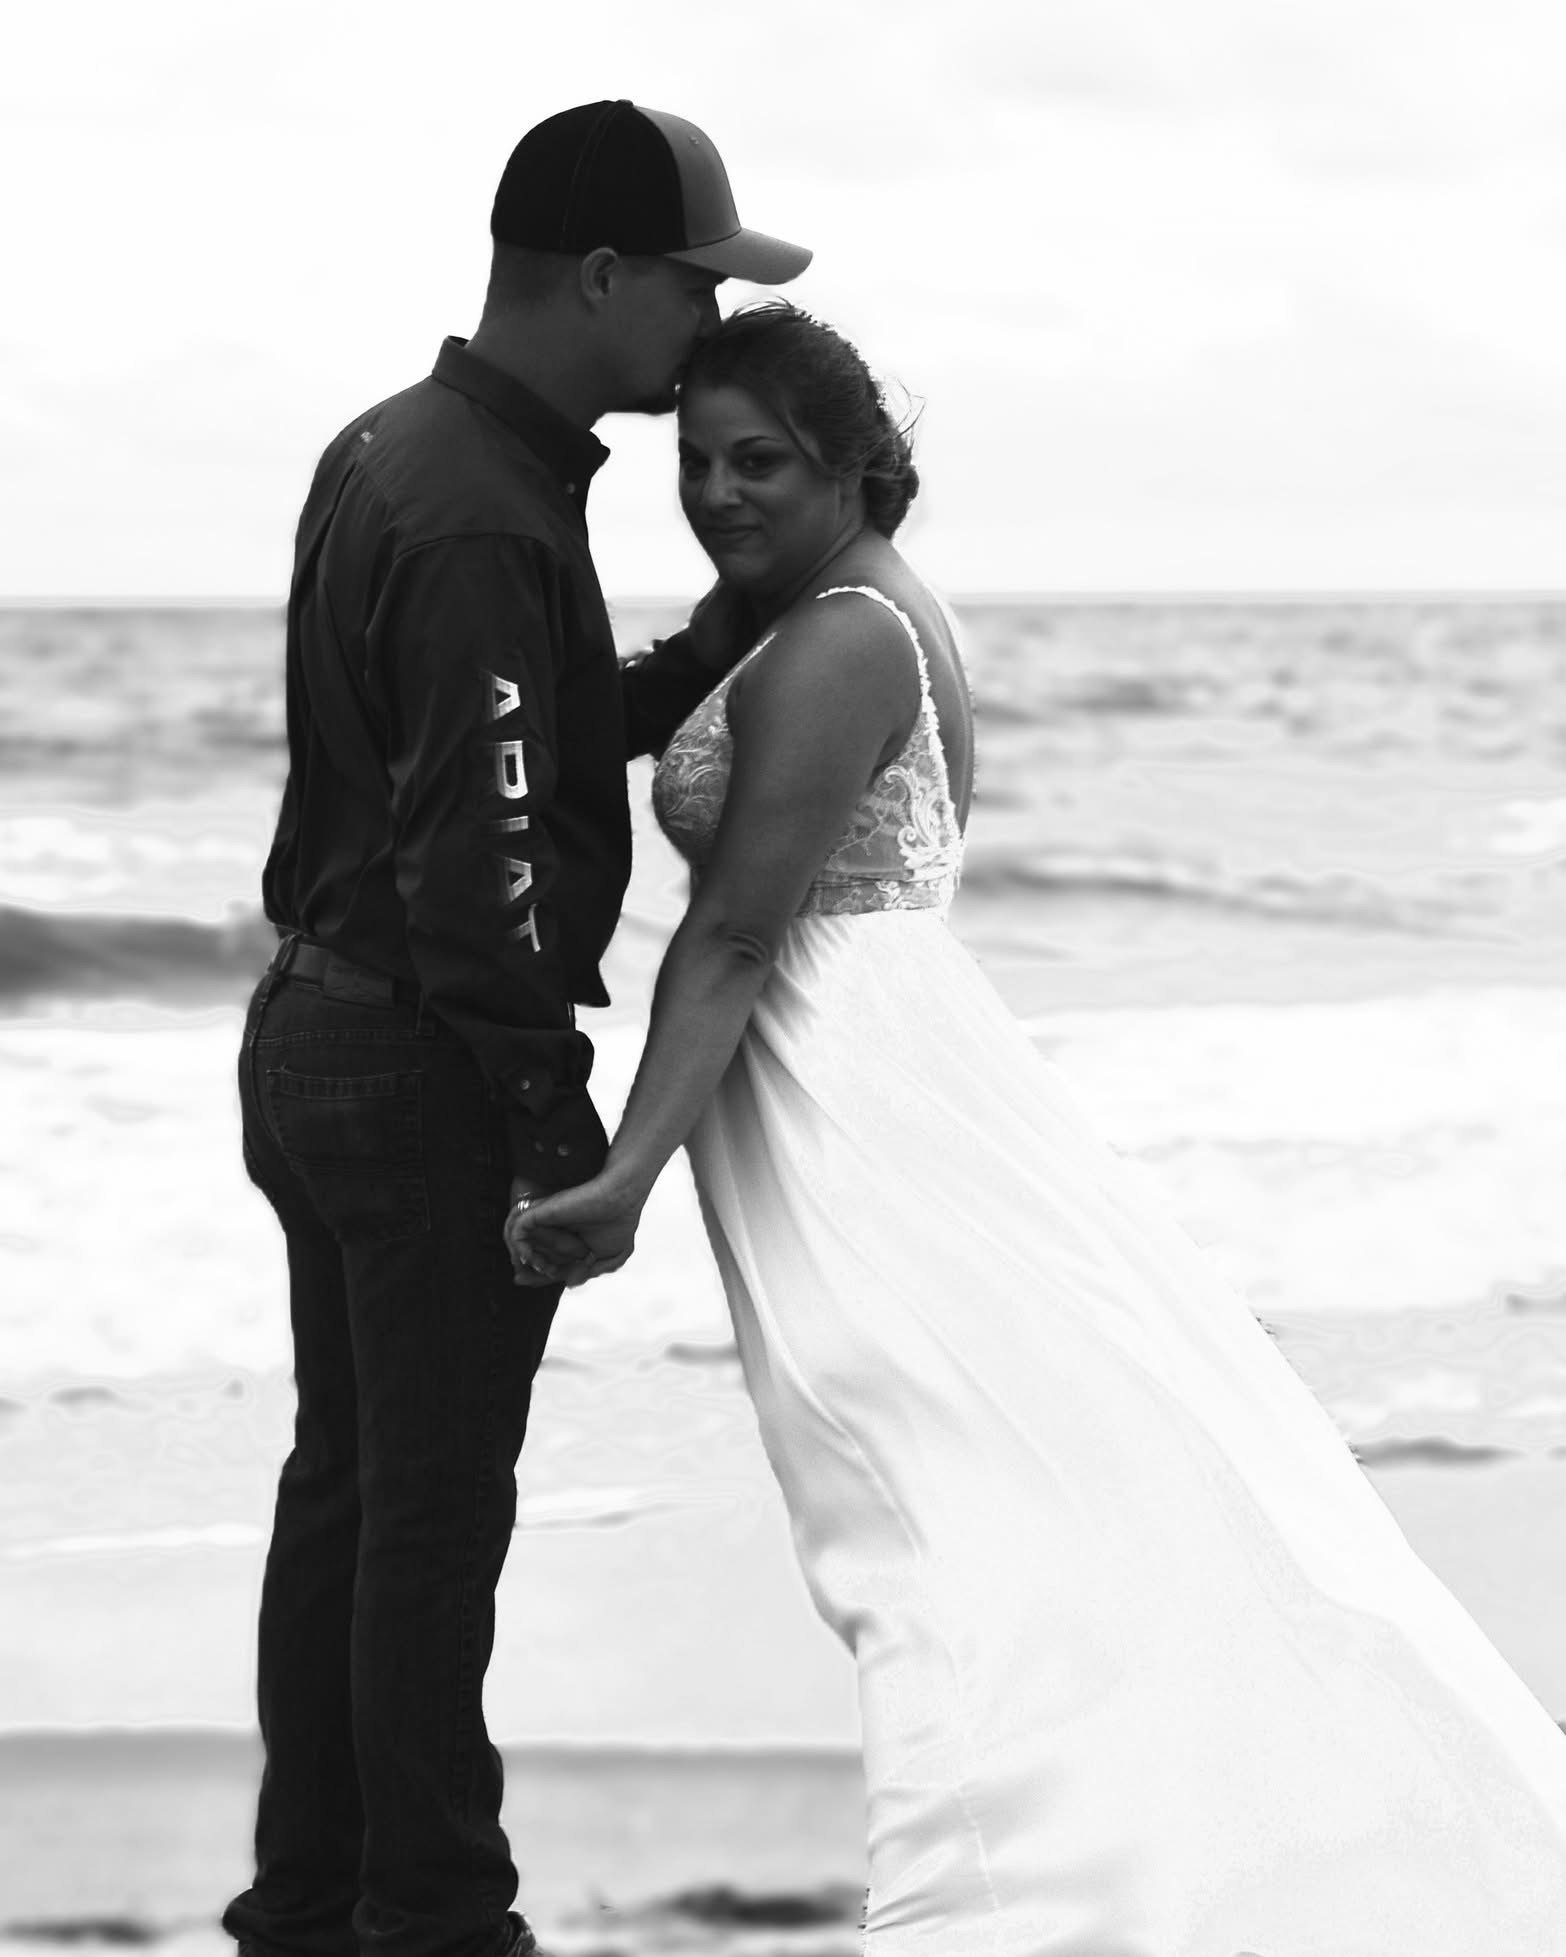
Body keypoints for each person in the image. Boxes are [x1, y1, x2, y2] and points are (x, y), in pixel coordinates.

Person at [509, 301, 1566, 1954]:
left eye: (757, 462)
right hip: (871, 1069)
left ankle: (981, 1907)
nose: (716, 493)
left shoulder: (843, 637)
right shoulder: (806, 607)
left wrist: (625, 1171)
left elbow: (733, 931)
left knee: (921, 1523)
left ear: (850, 465)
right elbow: (632, 711)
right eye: (695, 462)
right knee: (947, 1503)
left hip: (858, 1108)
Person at [224, 104, 809, 1957]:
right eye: (696, 286)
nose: (706, 327)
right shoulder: (481, 506)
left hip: (317, 1025)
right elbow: (475, 860)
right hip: (419, 1062)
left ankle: (308, 1907)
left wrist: (703, 651)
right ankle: (438, 1918)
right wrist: (558, 1128)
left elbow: (499, 742)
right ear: (605, 274)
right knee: (429, 1519)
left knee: (351, 1492)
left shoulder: (398, 446)